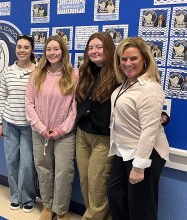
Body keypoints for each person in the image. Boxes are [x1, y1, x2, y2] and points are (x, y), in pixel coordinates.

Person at [108, 37, 170, 220]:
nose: (128, 63)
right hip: (123, 150)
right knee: (116, 198)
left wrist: (139, 167)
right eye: (124, 59)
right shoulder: (125, 85)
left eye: (133, 58)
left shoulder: (150, 88)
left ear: (144, 60)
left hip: (145, 153)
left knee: (141, 208)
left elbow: (149, 131)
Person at [25, 35, 78, 220]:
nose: (52, 53)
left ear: (63, 51)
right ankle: (48, 207)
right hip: (41, 133)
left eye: (56, 49)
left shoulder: (73, 74)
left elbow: (75, 107)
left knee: (64, 173)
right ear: (44, 52)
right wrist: (41, 128)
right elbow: (29, 104)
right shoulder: (37, 74)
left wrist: (61, 129)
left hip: (65, 134)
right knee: (43, 169)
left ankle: (61, 210)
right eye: (49, 49)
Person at [75, 32, 119, 220]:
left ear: (108, 48)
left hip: (104, 138)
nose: (94, 51)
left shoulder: (119, 75)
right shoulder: (86, 73)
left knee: (98, 186)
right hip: (82, 135)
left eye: (99, 47)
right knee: (85, 184)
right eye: (91, 47)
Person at [0, 35, 37, 212]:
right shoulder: (8, 71)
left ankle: (27, 198)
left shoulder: (38, 71)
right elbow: (2, 97)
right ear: (15, 49)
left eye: (26, 47)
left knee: (27, 165)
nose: (22, 50)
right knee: (11, 162)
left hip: (29, 126)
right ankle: (15, 196)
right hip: (9, 122)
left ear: (32, 50)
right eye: (19, 47)